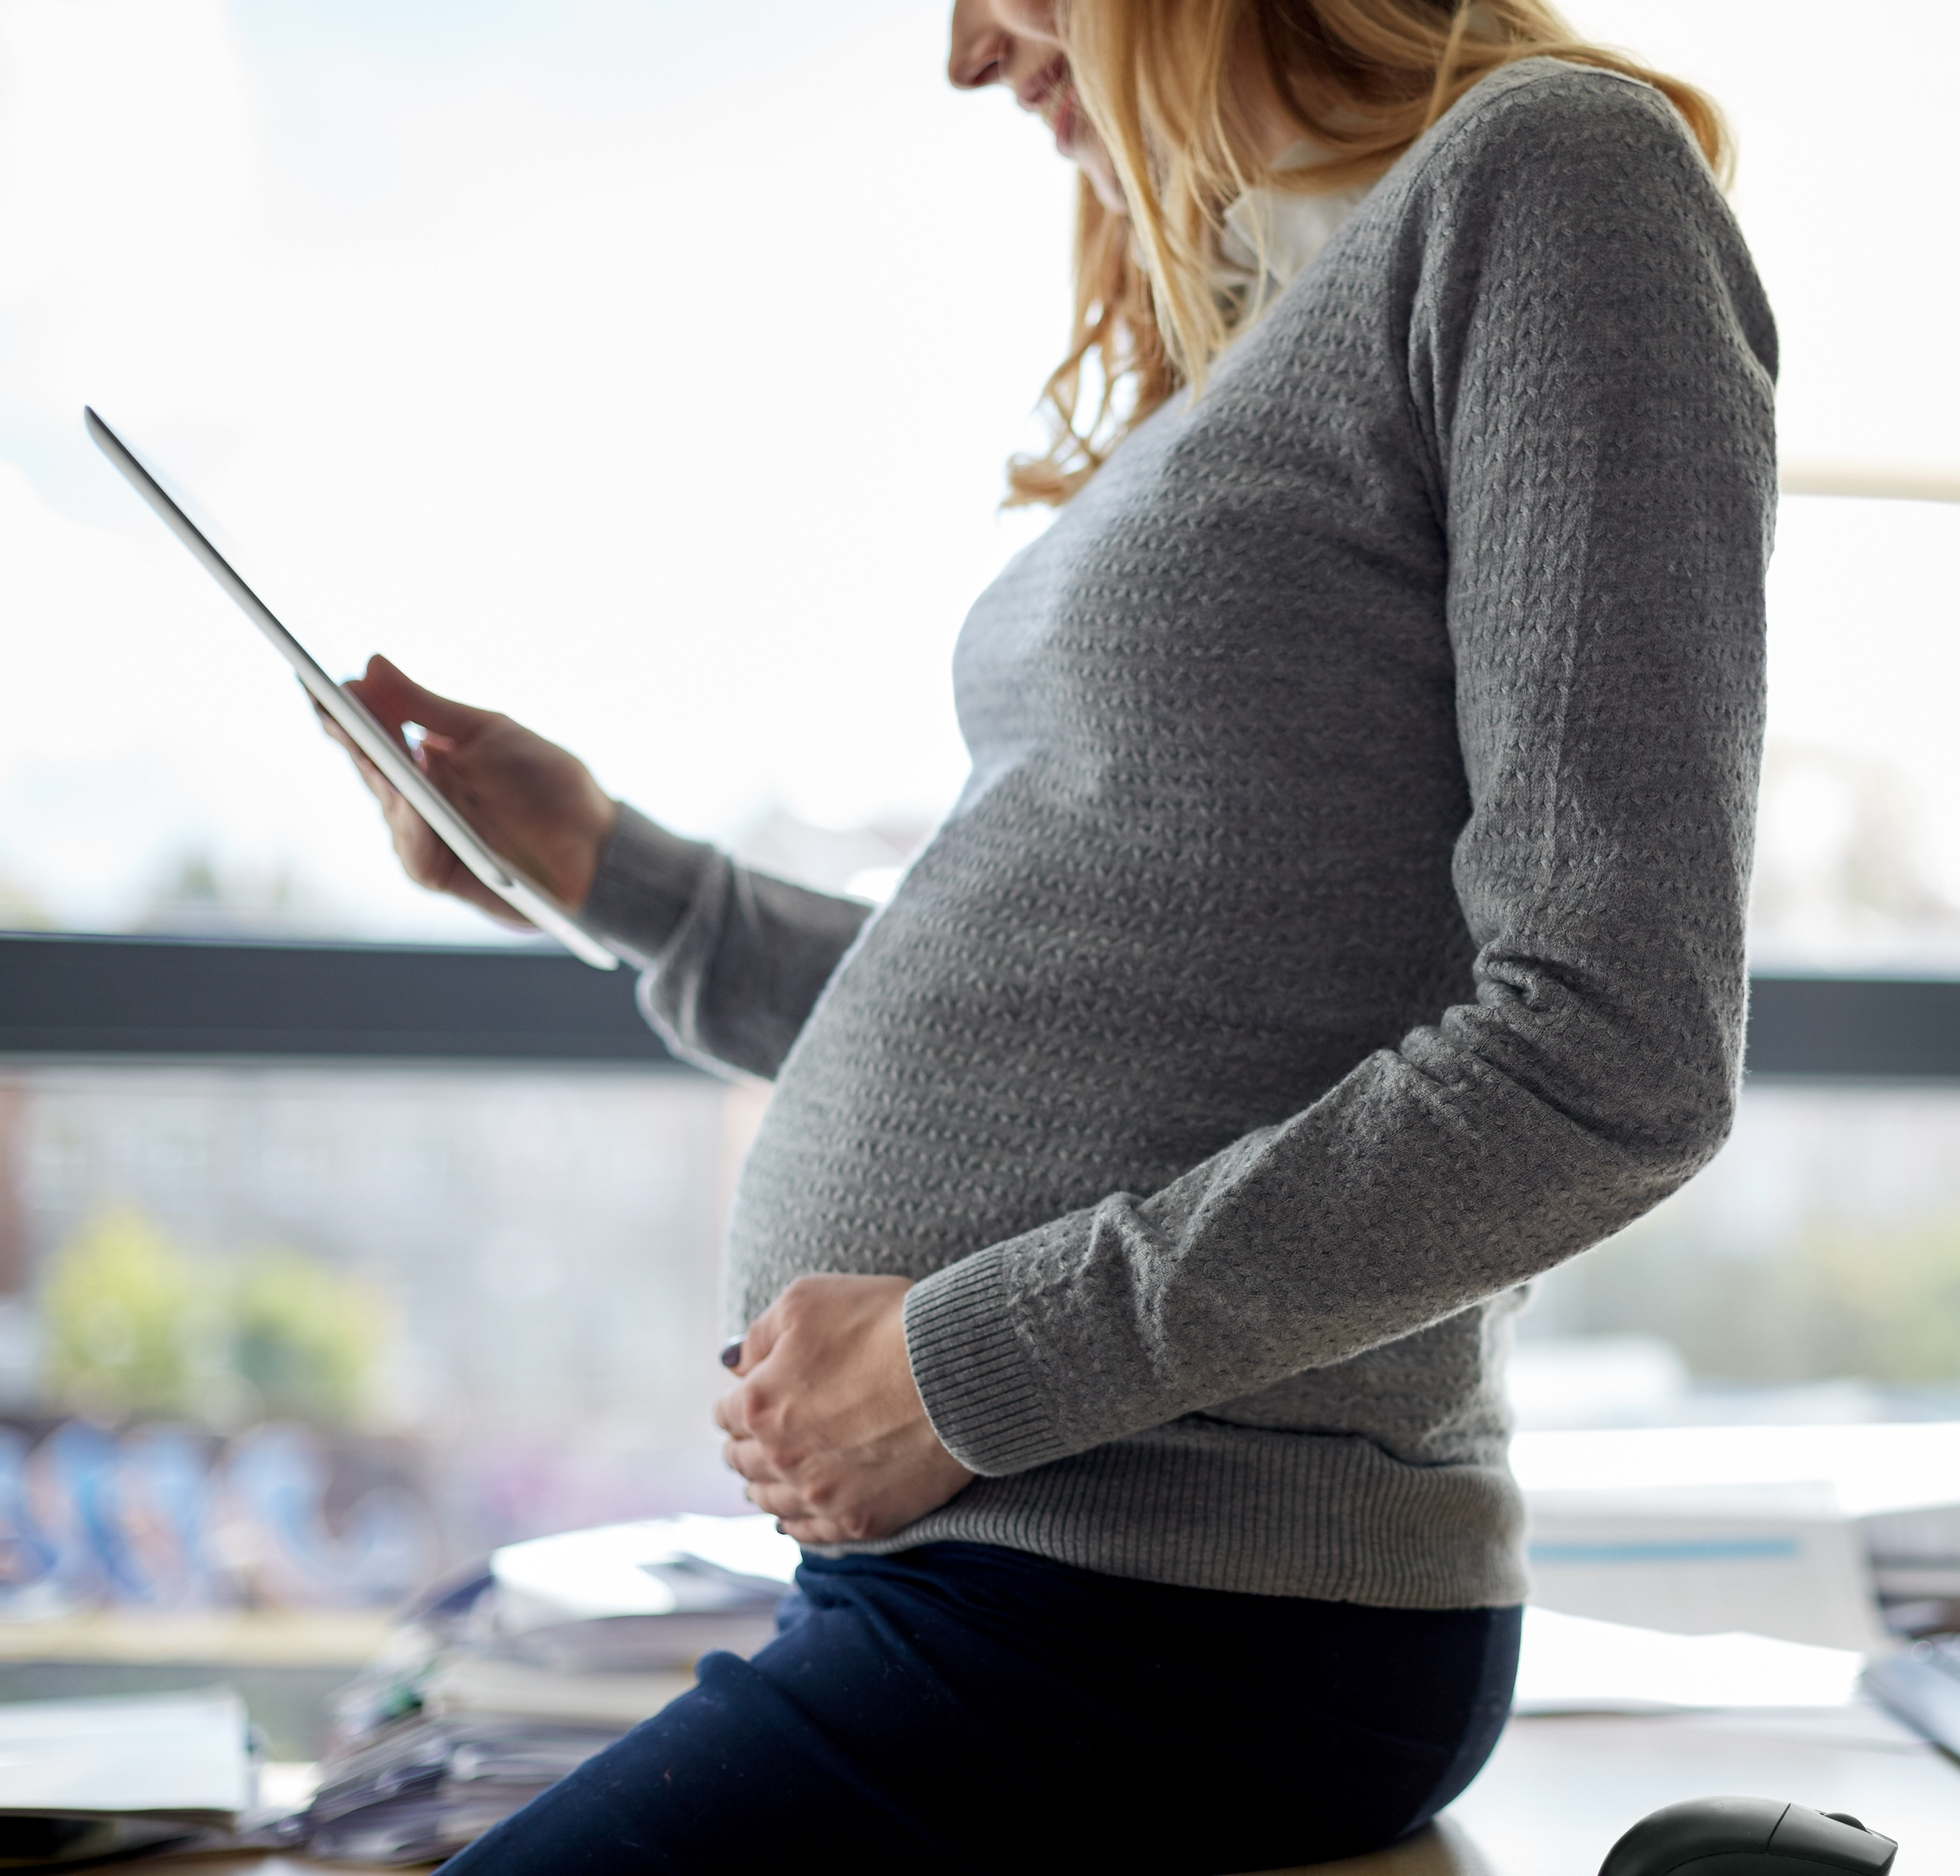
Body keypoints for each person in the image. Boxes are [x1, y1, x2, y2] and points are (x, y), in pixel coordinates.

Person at [323, 0, 1774, 1866]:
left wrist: (960, 1365)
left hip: (1189, 1614)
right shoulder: (1256, 323)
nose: (963, 56)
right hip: (1009, 1586)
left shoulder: (1555, 182)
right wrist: (609, 871)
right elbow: (1102, 1026)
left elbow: (1612, 1058)